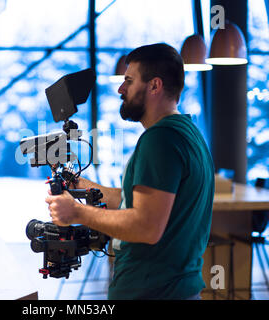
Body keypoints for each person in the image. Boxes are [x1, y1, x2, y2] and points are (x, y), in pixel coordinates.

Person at [45, 43, 215, 300]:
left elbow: (146, 226)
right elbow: (138, 201)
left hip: (152, 292)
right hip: (178, 289)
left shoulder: (160, 140)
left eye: (129, 81)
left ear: (154, 86)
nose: (120, 89)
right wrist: (81, 184)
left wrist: (76, 212)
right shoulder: (188, 133)